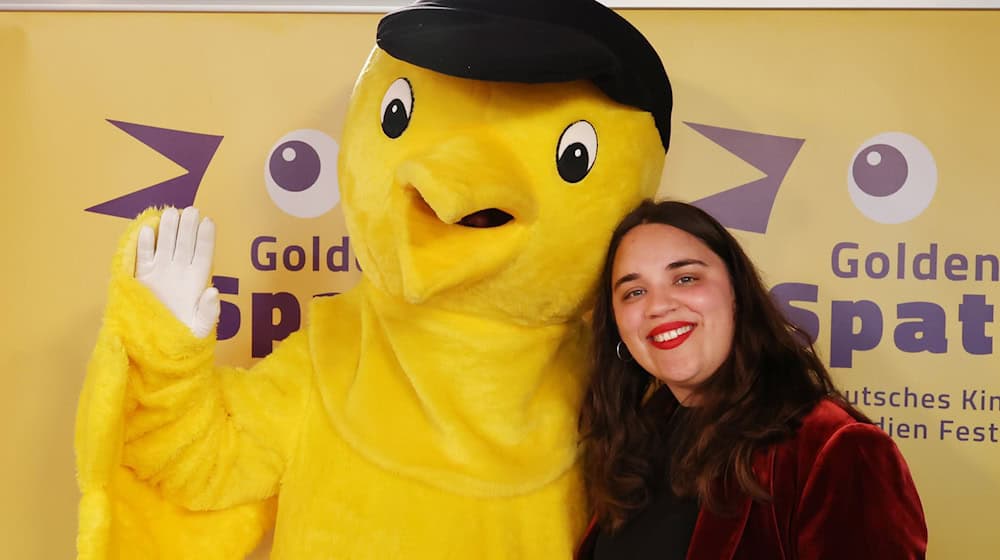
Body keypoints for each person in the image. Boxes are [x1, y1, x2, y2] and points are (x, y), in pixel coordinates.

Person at [576, 199, 927, 560]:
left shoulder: (833, 447)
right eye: (634, 291)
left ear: (737, 294)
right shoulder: (630, 444)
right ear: (617, 324)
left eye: (685, 278)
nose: (658, 305)